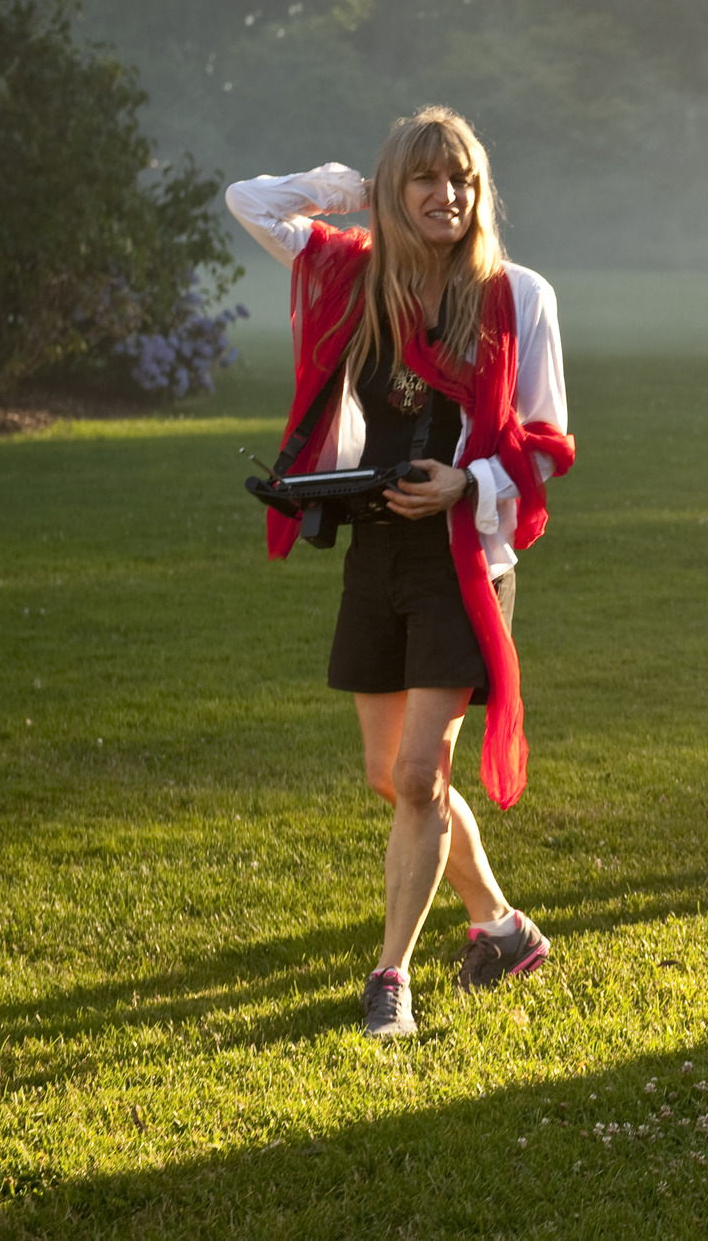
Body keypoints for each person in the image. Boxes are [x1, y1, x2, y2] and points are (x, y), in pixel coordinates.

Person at [228, 106, 575, 1039]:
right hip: (376, 548)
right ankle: (502, 927)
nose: (446, 197)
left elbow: (545, 443)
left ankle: (391, 977)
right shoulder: (355, 275)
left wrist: (470, 479)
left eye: (461, 180)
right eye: (424, 179)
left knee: (420, 775)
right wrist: (352, 193)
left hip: (463, 557)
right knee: (389, 774)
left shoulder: (519, 295)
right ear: (394, 191)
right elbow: (249, 201)